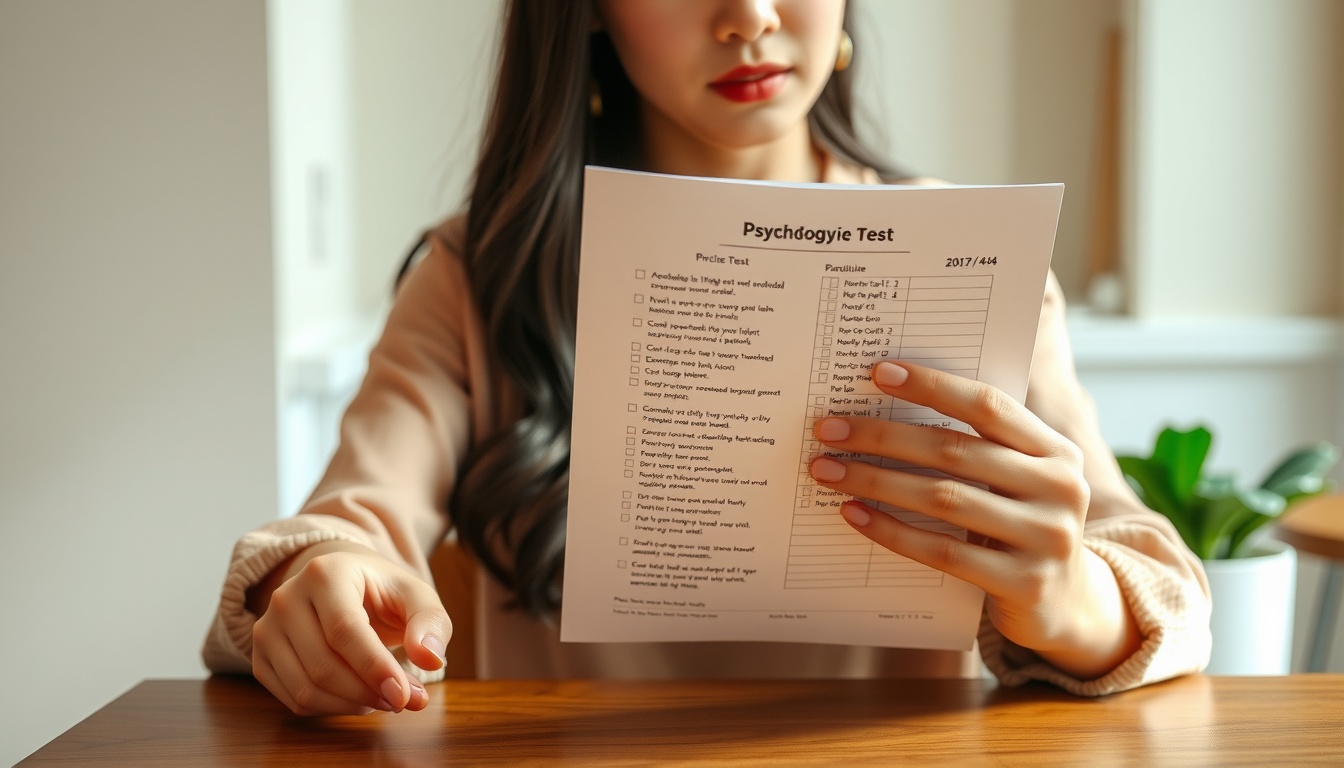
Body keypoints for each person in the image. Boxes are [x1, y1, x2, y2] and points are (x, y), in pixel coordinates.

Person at [203, 0, 1212, 716]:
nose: (750, 14)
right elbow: (350, 517)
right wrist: (320, 580)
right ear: (589, 11)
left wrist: (1069, 595)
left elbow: (1164, 591)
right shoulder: (481, 274)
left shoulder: (976, 261)